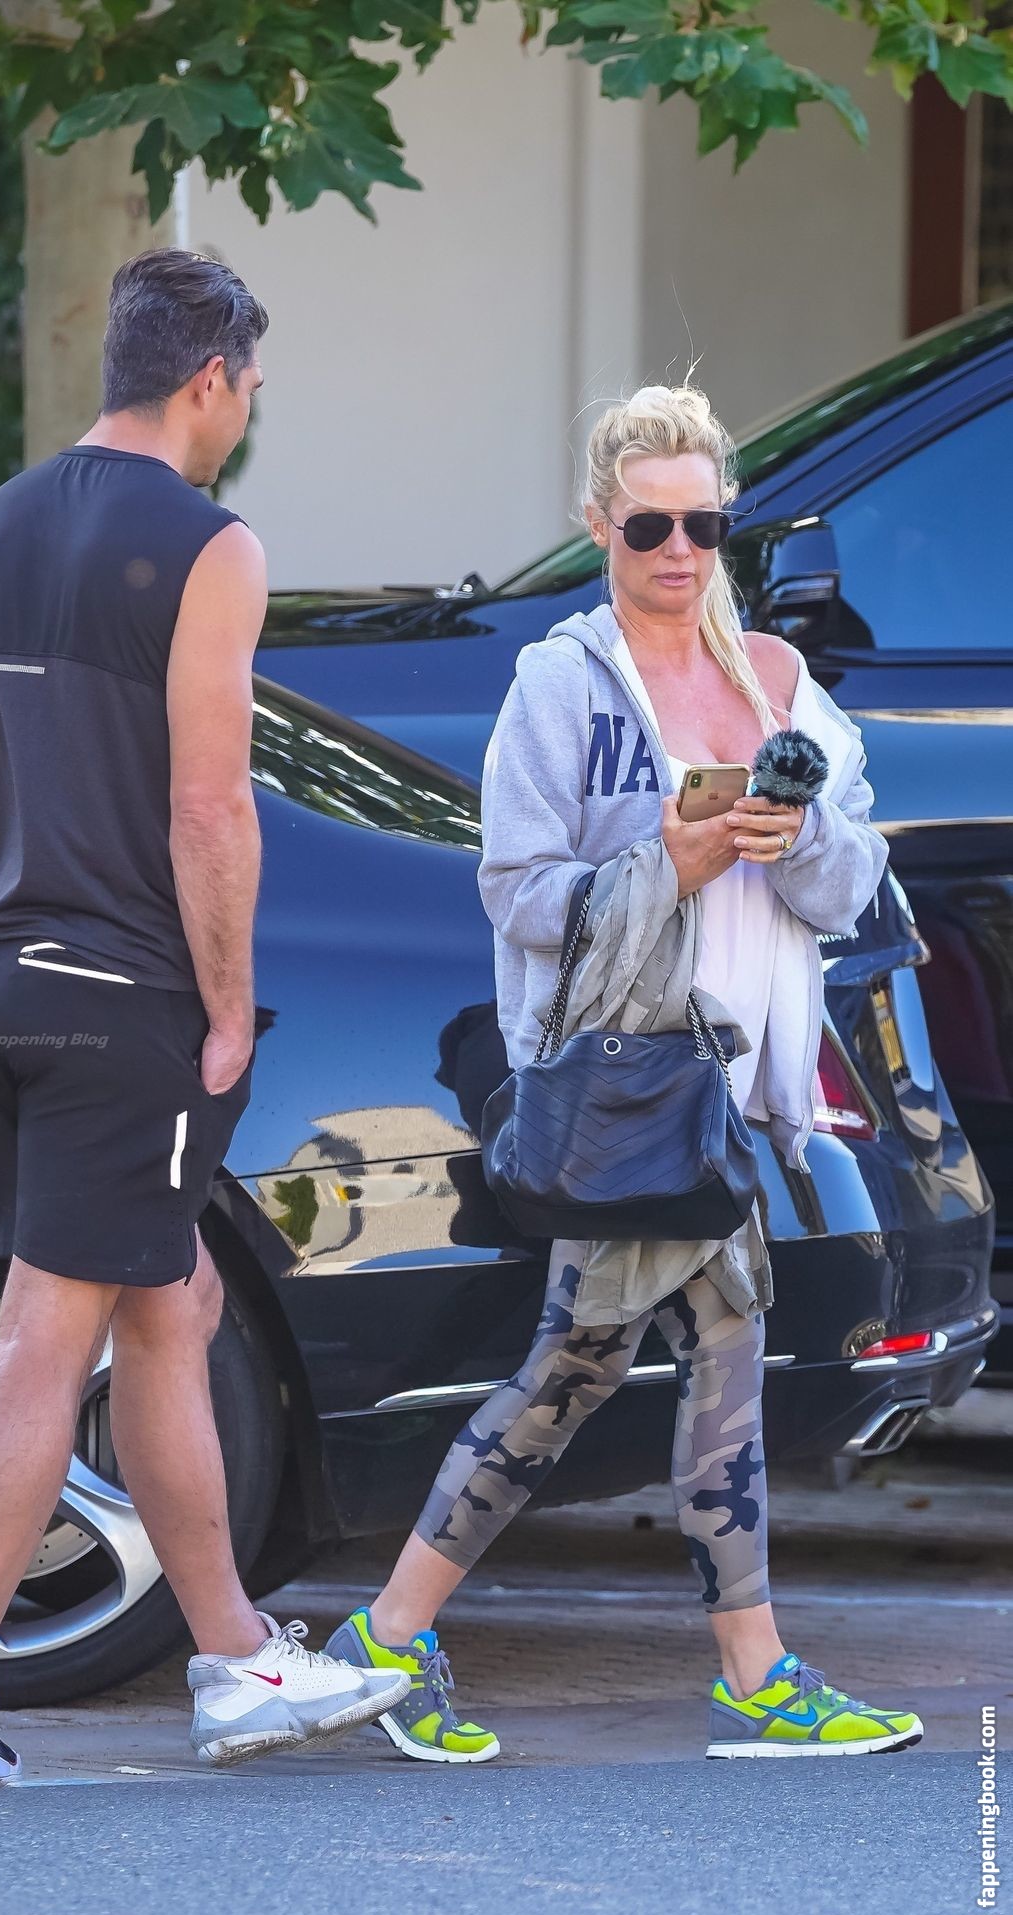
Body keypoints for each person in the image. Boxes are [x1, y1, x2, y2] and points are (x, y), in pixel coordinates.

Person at [327, 383, 924, 1763]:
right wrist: (671, 861)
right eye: (648, 524)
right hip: (631, 1078)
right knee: (580, 1364)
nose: (677, 550)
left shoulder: (774, 679)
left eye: (702, 524)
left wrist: (791, 839)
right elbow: (518, 892)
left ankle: (741, 1670)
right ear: (598, 523)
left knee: (707, 1350)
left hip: (733, 1083)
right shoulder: (561, 684)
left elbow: (851, 881)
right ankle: (391, 1640)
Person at [0, 247, 408, 1787]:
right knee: (46, 1337)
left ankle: (234, 1658)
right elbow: (208, 805)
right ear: (208, 381)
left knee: (166, 1299)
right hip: (124, 998)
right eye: (248, 386)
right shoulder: (210, 547)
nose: (245, 411)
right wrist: (228, 1007)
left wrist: (18, 929)